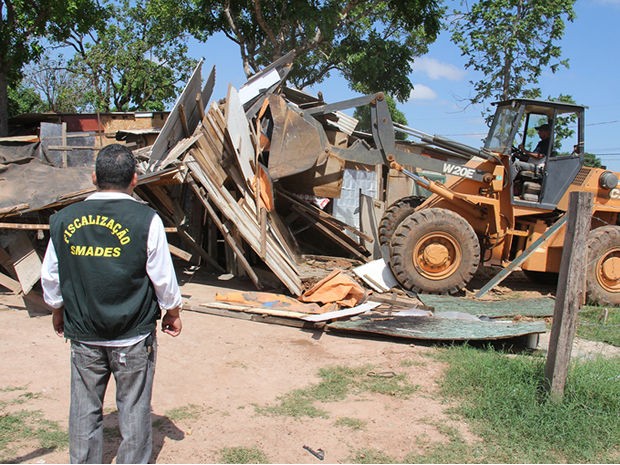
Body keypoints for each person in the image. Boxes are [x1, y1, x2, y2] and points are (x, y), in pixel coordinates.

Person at [41, 143, 183, 464]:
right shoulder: (146, 220)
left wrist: (57, 310)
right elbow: (163, 277)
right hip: (133, 335)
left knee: (84, 408)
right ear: (134, 179)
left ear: (93, 177)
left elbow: (51, 276)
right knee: (133, 407)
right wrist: (172, 311)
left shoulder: (64, 220)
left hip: (84, 334)